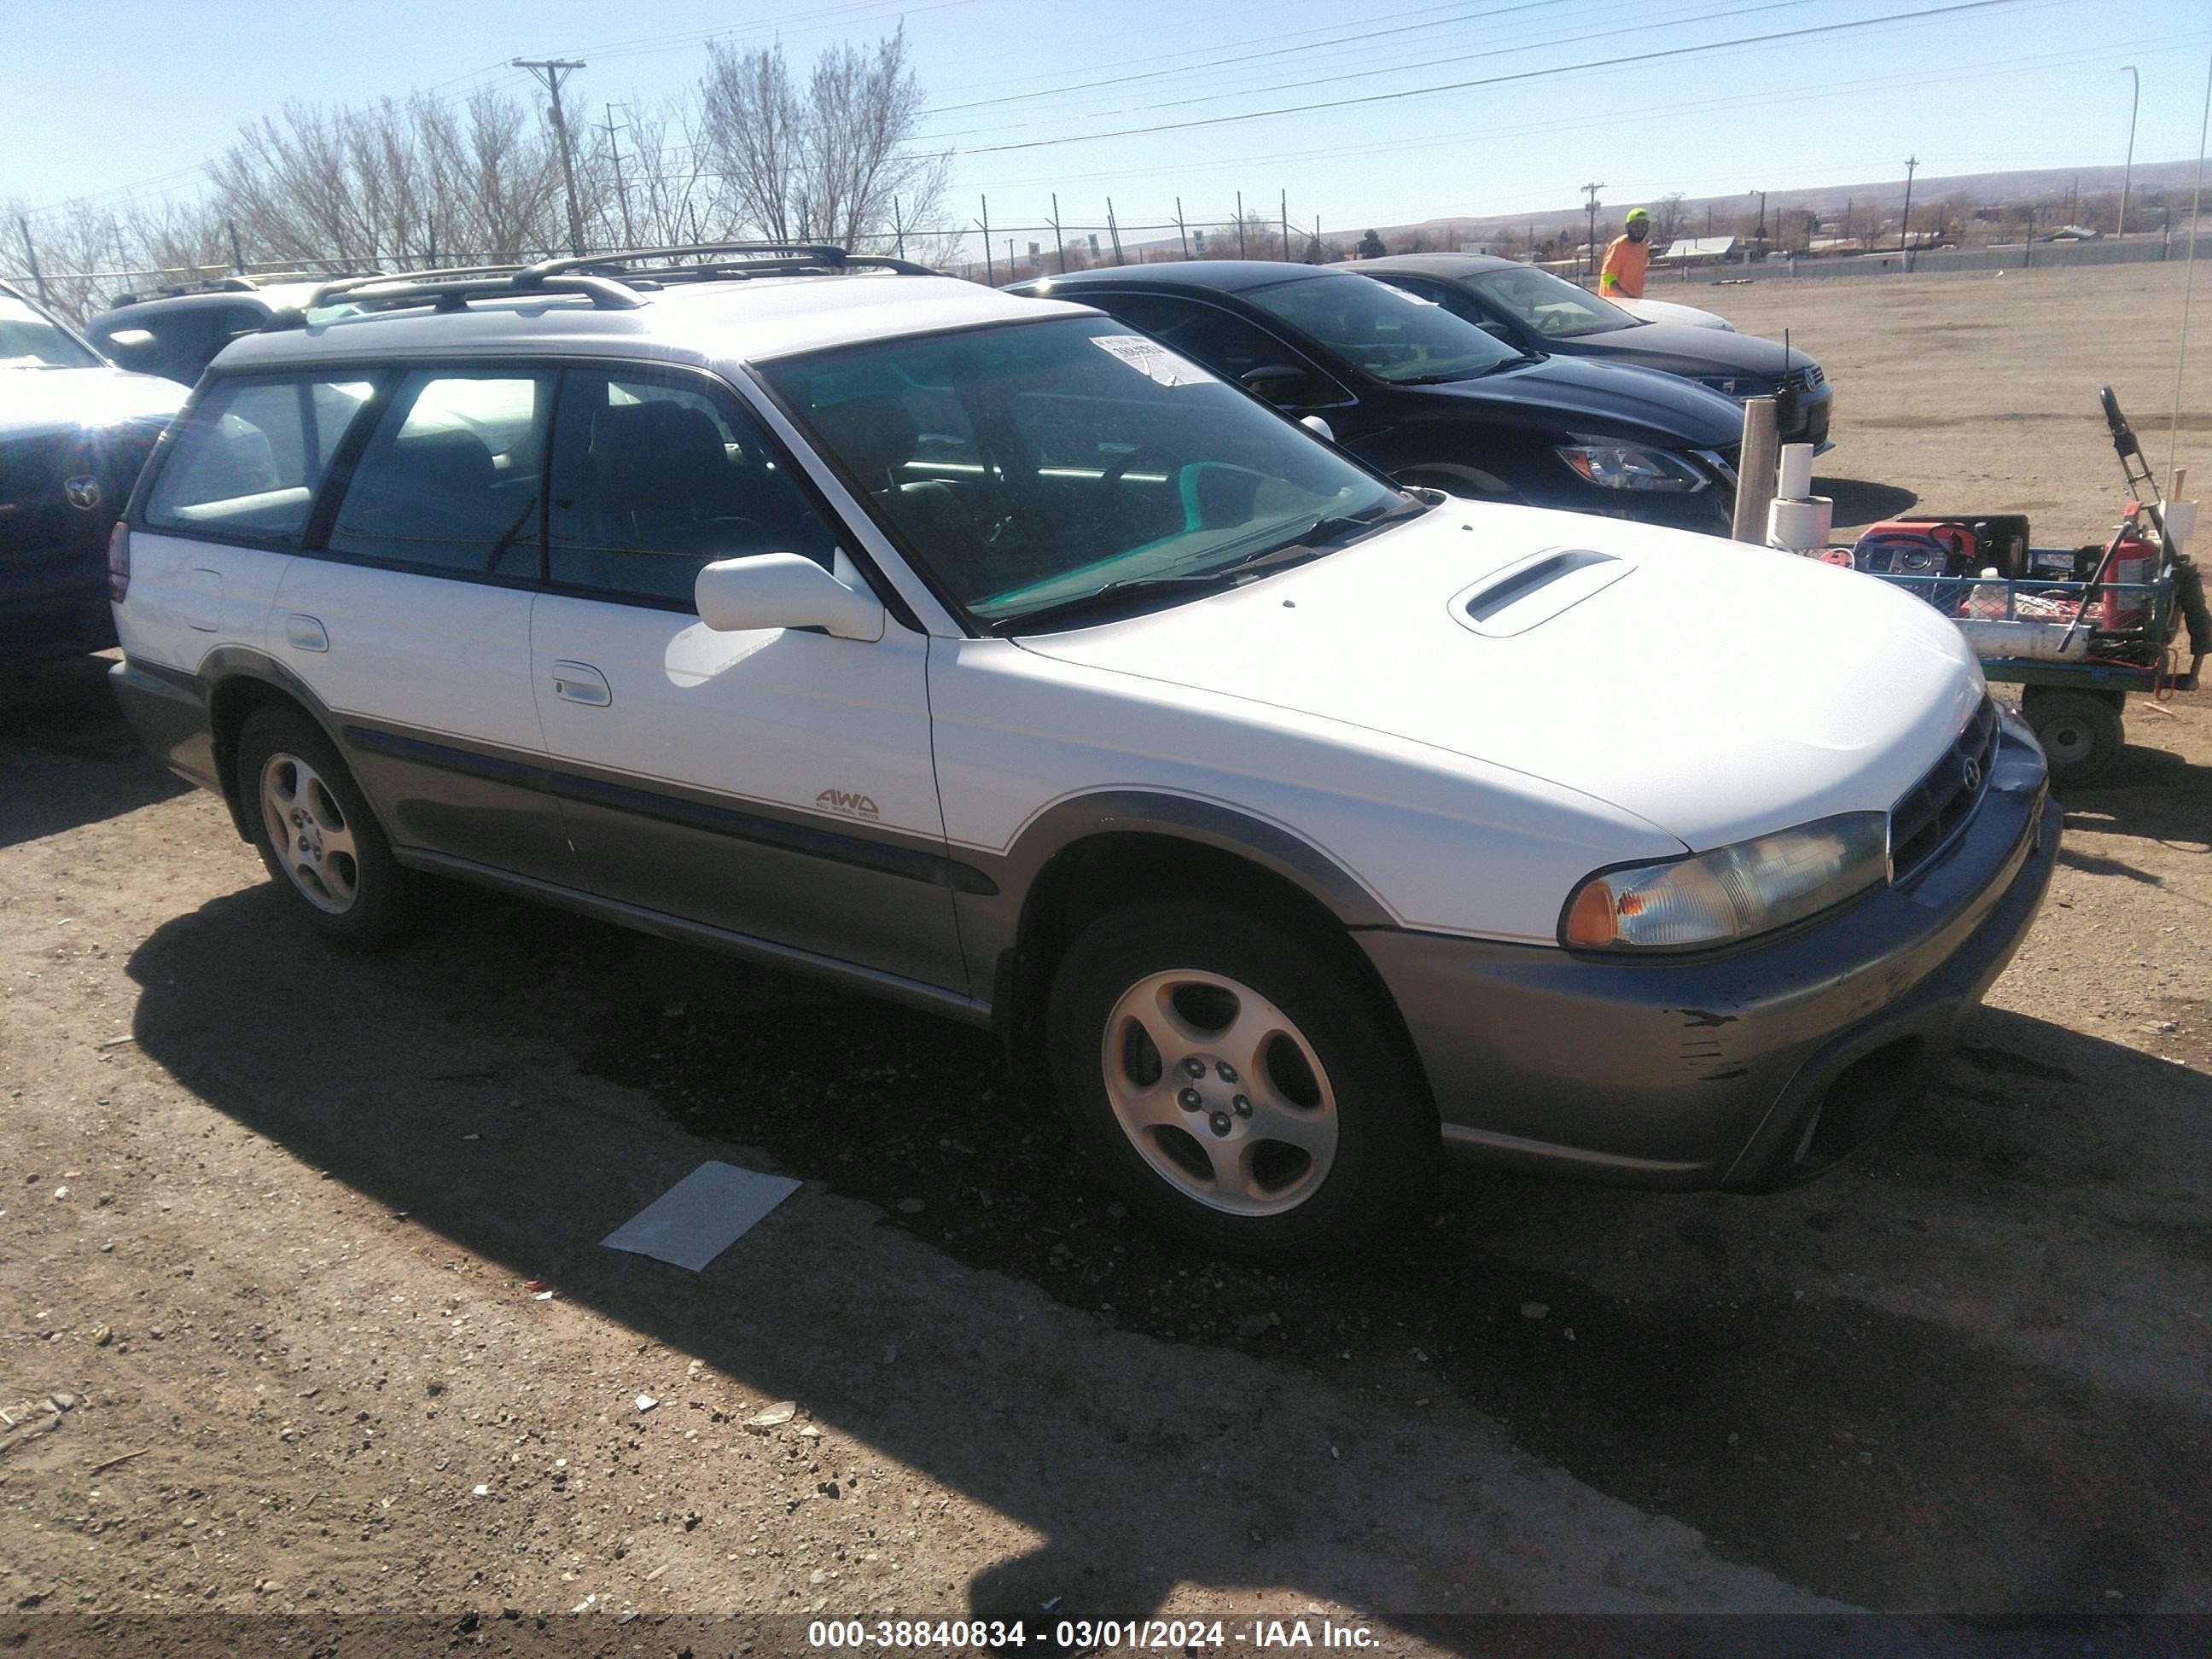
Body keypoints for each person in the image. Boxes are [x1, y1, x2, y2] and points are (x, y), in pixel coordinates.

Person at [1600, 207, 1652, 300]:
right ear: (1627, 227)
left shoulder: (1644, 247)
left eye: (1643, 225)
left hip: (1634, 303)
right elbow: (1607, 277)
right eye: (1635, 225)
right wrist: (1626, 297)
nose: (1640, 229)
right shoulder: (1619, 245)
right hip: (1613, 306)